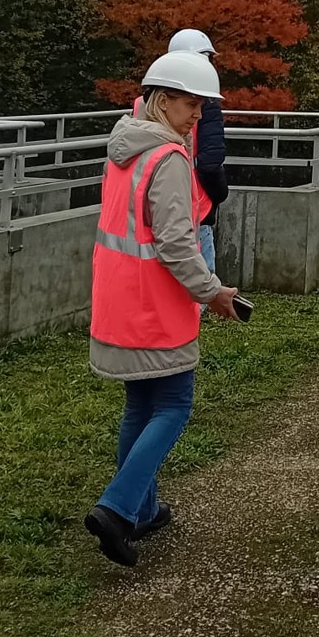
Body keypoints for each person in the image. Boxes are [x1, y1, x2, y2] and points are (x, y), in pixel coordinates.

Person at [86, 50, 241, 568]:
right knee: (173, 405)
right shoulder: (169, 158)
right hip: (156, 305)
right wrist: (212, 291)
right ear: (162, 100)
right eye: (190, 104)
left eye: (201, 106)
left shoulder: (124, 147)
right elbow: (176, 243)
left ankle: (143, 509)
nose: (198, 115)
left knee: (140, 406)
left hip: (119, 300)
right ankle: (117, 508)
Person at [133, 30, 228, 276]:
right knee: (198, 279)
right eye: (192, 106)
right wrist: (219, 194)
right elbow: (210, 163)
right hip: (193, 207)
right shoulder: (206, 105)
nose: (197, 113)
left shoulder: (142, 105)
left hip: (145, 212)